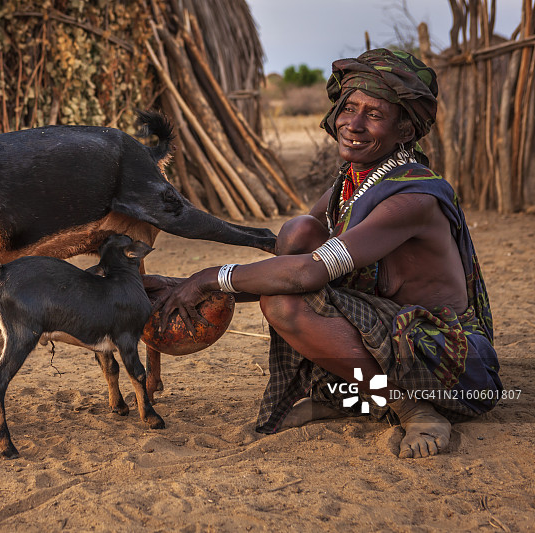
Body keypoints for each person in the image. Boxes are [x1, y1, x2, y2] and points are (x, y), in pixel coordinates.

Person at [149, 49, 501, 459]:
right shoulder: (354, 182)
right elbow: (287, 264)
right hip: (390, 333)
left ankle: (413, 408)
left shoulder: (412, 198)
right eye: (348, 107)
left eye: (374, 114)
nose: (353, 124)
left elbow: (307, 275)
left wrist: (209, 277)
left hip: (445, 358)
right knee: (299, 231)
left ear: (405, 130)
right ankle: (351, 397)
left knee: (284, 302)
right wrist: (184, 287)